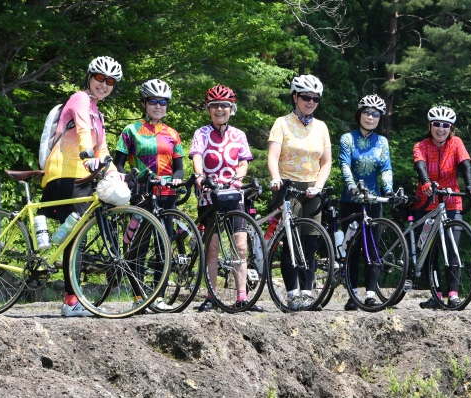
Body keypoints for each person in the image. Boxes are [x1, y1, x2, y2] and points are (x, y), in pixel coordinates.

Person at [39, 55, 124, 317]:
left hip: (82, 176)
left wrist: (114, 172)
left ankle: (71, 299)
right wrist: (87, 155)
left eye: (110, 81)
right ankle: (71, 301)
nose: (105, 84)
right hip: (64, 171)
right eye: (100, 77)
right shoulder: (80, 99)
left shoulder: (98, 112)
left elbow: (103, 148)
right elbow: (84, 133)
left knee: (79, 238)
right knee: (76, 236)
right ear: (89, 77)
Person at [190, 84, 262, 312]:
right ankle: (211, 296)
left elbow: (243, 163)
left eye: (224, 105)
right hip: (209, 195)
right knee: (212, 249)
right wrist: (200, 175)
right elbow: (197, 156)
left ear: (232, 108)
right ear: (209, 109)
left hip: (233, 195)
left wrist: (237, 178)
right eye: (214, 105)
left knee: (240, 247)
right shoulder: (201, 133)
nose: (219, 109)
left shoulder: (238, 135)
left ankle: (242, 297)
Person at [114, 79, 184, 312]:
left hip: (167, 195)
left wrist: (177, 177)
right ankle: (138, 297)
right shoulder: (130, 130)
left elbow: (179, 167)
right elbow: (119, 164)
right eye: (153, 101)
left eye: (163, 102)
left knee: (164, 246)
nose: (158, 106)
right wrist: (130, 180)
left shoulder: (173, 133)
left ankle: (159, 297)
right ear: (143, 103)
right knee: (139, 248)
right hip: (141, 195)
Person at [268, 74, 332, 311]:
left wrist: (319, 185)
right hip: (288, 185)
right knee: (291, 242)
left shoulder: (322, 127)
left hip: (312, 188)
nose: (311, 101)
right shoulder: (282, 123)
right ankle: (293, 293)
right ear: (295, 97)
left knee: (310, 242)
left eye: (315, 98)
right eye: (306, 97)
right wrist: (276, 179)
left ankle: (308, 293)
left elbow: (326, 161)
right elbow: (273, 157)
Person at [413, 106, 471, 309]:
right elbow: (420, 165)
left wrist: (469, 186)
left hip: (451, 201)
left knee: (453, 249)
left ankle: (453, 294)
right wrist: (425, 183)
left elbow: (465, 165)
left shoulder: (456, 143)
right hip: (427, 201)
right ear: (430, 126)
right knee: (430, 251)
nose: (441, 129)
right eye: (436, 124)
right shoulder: (421, 145)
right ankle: (437, 294)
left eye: (446, 125)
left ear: (451, 128)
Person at [339, 94, 394, 310]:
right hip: (350, 199)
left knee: (372, 249)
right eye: (366, 112)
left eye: (376, 114)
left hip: (374, 200)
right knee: (352, 249)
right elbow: (344, 164)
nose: (370, 117)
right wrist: (352, 185)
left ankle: (370, 293)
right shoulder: (347, 138)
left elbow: (386, 167)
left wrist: (388, 189)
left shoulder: (382, 142)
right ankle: (352, 294)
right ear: (359, 114)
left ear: (380, 117)